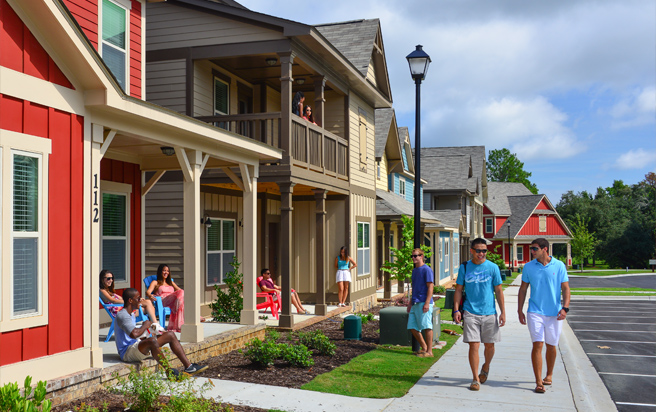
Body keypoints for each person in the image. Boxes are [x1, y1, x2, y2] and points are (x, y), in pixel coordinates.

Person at [115, 288, 207, 377]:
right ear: (130, 300)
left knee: (170, 335)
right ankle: (169, 372)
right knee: (152, 341)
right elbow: (133, 334)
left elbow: (133, 335)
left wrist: (151, 330)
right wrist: (145, 325)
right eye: (138, 298)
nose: (141, 300)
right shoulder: (123, 315)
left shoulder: (131, 313)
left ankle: (189, 367)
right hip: (127, 352)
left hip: (136, 345)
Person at [518, 238, 570, 394]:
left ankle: (549, 374)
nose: (532, 251)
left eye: (534, 249)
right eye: (531, 249)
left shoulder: (559, 265)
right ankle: (538, 381)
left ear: (544, 249)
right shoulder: (528, 267)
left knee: (551, 346)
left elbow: (566, 289)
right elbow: (523, 289)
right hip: (535, 311)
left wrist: (565, 308)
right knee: (537, 345)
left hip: (554, 313)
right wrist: (520, 310)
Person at [453, 238, 506, 391]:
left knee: (489, 345)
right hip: (470, 312)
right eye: (478, 250)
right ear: (472, 251)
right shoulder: (465, 267)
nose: (482, 253)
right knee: (474, 345)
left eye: (484, 250)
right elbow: (458, 290)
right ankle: (475, 378)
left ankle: (486, 366)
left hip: (489, 312)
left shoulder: (493, 267)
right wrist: (457, 309)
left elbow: (499, 291)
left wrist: (502, 312)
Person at [406, 248, 435, 358]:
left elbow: (430, 287)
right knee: (412, 327)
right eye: (412, 256)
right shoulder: (415, 270)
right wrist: (410, 303)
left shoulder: (426, 270)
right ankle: (424, 348)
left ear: (421, 256)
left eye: (416, 256)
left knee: (427, 326)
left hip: (424, 302)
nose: (413, 258)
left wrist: (427, 303)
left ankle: (430, 352)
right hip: (415, 302)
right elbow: (415, 288)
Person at [146, 264, 184, 332]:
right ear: (160, 271)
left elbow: (180, 291)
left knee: (181, 293)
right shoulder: (155, 282)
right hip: (163, 301)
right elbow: (148, 292)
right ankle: (181, 324)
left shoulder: (170, 282)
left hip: (174, 302)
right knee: (181, 293)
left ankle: (179, 325)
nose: (166, 272)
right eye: (164, 271)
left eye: (167, 271)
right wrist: (150, 296)